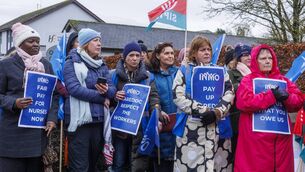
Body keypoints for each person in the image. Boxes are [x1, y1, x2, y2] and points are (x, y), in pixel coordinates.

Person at [234, 44, 304, 171]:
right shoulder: (248, 80)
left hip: (281, 142)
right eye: (263, 58)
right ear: (255, 60)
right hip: (255, 142)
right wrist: (271, 96)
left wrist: (287, 97)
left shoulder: (284, 81)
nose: (267, 61)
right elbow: (244, 102)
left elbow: (299, 100)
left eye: (270, 58)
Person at [0, 22, 58, 172]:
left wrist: (52, 119)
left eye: (37, 41)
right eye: (30, 41)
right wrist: (14, 102)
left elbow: (54, 94)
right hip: (12, 134)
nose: (35, 44)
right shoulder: (6, 65)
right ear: (20, 43)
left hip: (37, 134)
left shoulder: (46, 65)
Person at [172, 35, 234, 171]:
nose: (207, 52)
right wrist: (203, 111)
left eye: (208, 49)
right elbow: (177, 95)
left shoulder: (221, 71)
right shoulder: (185, 70)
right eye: (202, 50)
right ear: (194, 53)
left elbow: (229, 93)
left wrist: (216, 112)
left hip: (217, 126)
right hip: (191, 129)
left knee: (218, 165)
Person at [63, 28, 116, 172]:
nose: (99, 44)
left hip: (98, 121)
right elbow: (74, 89)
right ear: (86, 43)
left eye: (99, 40)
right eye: (95, 40)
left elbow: (112, 90)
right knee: (80, 167)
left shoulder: (101, 64)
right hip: (79, 123)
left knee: (95, 165)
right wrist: (101, 97)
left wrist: (106, 91)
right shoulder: (71, 62)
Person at [111, 41, 160, 172]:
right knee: (119, 164)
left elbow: (154, 97)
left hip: (141, 128)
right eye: (131, 55)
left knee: (138, 165)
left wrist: (156, 113)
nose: (134, 58)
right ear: (124, 57)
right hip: (120, 129)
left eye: (137, 55)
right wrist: (115, 96)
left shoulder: (148, 77)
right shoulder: (113, 75)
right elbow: (107, 99)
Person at [149, 42, 178, 172]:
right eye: (166, 53)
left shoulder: (178, 73)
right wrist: (158, 111)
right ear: (158, 55)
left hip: (178, 126)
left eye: (172, 53)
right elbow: (152, 97)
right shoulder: (151, 75)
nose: (170, 56)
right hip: (161, 125)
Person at [227, 44, 251, 166]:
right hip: (237, 118)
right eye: (245, 55)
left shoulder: (256, 72)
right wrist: (244, 82)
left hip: (252, 119)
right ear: (238, 57)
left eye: (250, 54)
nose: (249, 57)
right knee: (237, 153)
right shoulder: (231, 72)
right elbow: (227, 90)